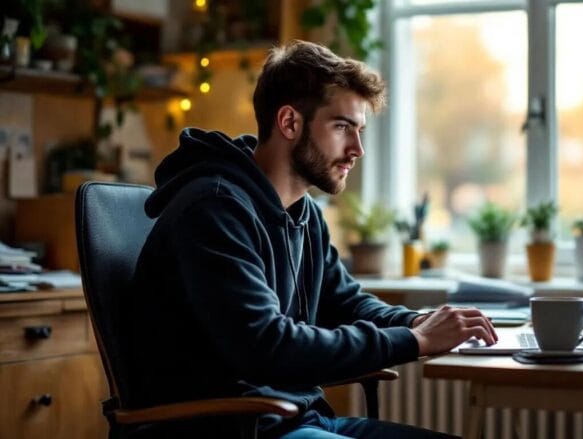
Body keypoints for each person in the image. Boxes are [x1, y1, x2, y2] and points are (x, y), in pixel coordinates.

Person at [125, 40, 497, 438]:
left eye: (360, 131)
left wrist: (419, 322)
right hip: (232, 428)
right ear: (289, 123)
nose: (357, 150)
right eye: (342, 127)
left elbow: (347, 303)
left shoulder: (304, 214)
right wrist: (413, 340)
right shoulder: (213, 209)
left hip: (296, 419)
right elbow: (268, 346)